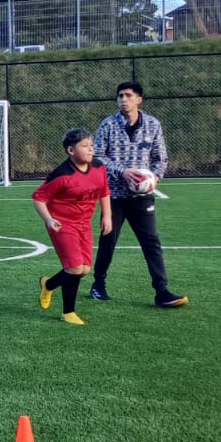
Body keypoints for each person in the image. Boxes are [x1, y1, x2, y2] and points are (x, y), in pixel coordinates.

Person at [90, 81, 188, 308]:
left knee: (151, 241)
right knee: (108, 241)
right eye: (119, 96)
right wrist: (122, 172)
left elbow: (160, 158)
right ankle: (98, 285)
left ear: (139, 99)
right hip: (113, 195)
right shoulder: (108, 125)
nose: (123, 99)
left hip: (142, 198)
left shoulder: (153, 125)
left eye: (128, 95)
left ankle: (162, 292)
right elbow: (97, 158)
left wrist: (154, 178)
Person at [31, 129, 112, 326]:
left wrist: (107, 215)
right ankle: (68, 312)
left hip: (84, 224)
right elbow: (38, 198)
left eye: (91, 145)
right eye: (85, 146)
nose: (90, 149)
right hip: (62, 224)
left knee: (84, 270)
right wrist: (49, 219)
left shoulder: (99, 167)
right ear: (70, 150)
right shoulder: (62, 175)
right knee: (75, 268)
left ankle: (48, 284)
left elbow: (104, 191)